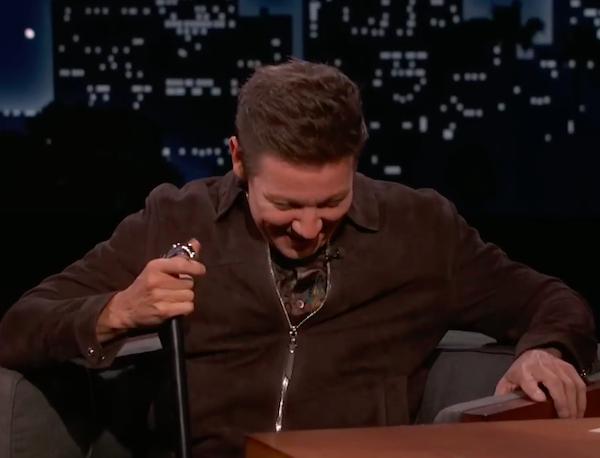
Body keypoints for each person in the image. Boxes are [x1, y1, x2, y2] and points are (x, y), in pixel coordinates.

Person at [0, 60, 596, 457]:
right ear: (238, 160)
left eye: (332, 202)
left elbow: (550, 299)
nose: (309, 228)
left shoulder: (420, 229)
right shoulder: (176, 219)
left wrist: (546, 350)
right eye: (285, 204)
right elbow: (19, 325)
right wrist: (117, 312)